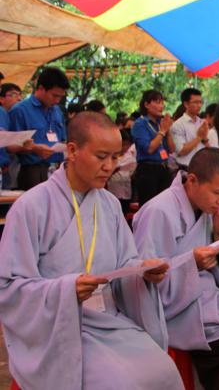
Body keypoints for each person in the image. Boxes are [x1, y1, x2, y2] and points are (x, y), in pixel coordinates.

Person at [0, 111, 182, 389]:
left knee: (164, 371)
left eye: (115, 157)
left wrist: (142, 272)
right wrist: (66, 290)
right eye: (101, 157)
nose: (109, 166)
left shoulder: (110, 204)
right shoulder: (32, 207)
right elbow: (9, 287)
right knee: (120, 382)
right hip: (59, 327)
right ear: (72, 151)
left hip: (108, 320)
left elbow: (126, 262)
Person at [134, 148, 219, 390]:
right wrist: (191, 263)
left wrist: (218, 232)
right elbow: (145, 277)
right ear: (193, 180)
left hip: (208, 299)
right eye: (217, 192)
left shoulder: (205, 209)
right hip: (178, 309)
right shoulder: (159, 211)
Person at [9, 67, 69, 190]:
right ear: (41, 88)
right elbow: (10, 146)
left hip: (56, 170)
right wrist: (34, 148)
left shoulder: (57, 111)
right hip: (31, 171)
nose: (57, 100)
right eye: (54, 96)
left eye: (60, 97)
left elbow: (63, 139)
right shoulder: (20, 110)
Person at [131, 89, 175, 205]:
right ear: (146, 104)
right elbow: (149, 149)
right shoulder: (140, 124)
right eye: (157, 102)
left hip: (164, 168)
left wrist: (168, 130)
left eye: (162, 103)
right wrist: (162, 131)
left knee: (165, 205)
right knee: (149, 206)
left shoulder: (161, 123)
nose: (161, 106)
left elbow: (172, 149)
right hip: (148, 170)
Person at [171, 88, 213, 170]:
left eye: (200, 102)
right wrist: (199, 137)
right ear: (186, 104)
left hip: (202, 167)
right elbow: (181, 151)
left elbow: (208, 148)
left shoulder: (202, 122)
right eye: (196, 102)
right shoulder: (178, 125)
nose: (199, 105)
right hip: (186, 169)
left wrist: (205, 139)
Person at [106, 129, 136, 214]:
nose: (125, 147)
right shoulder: (110, 156)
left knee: (124, 210)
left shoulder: (130, 155)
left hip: (126, 187)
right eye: (123, 144)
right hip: (113, 188)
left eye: (127, 145)